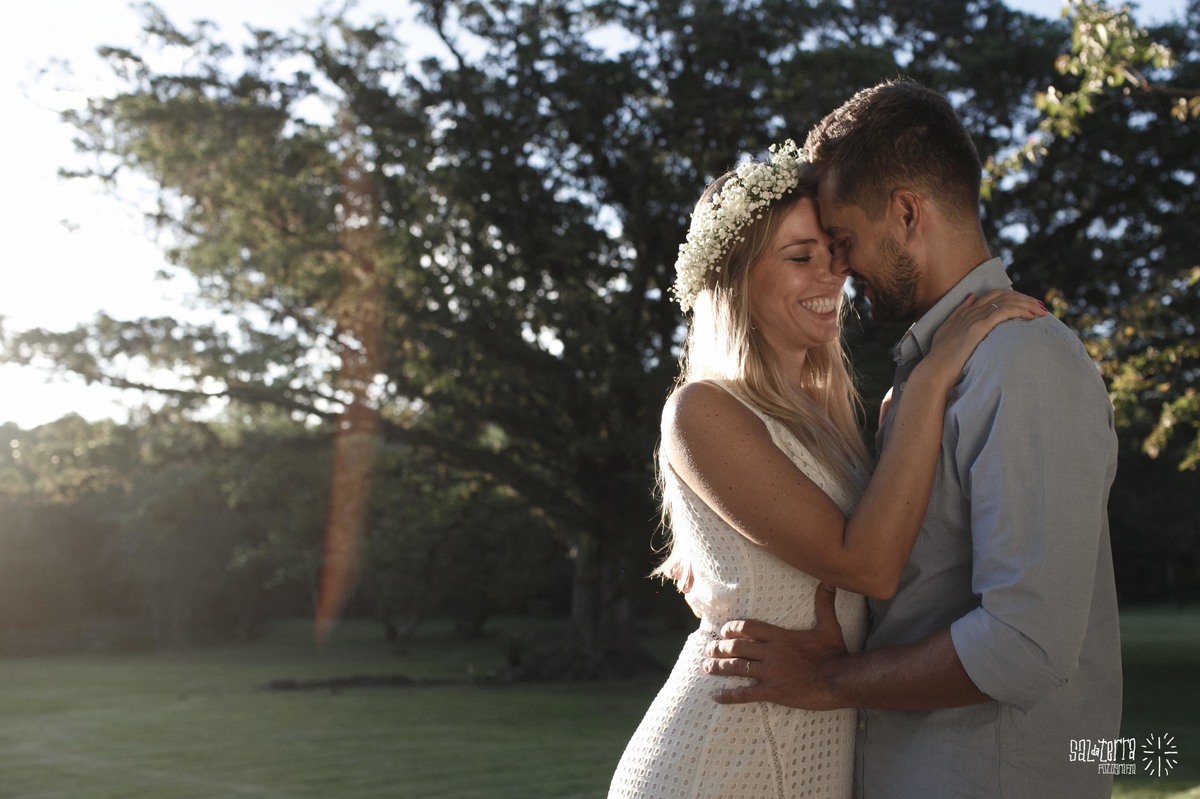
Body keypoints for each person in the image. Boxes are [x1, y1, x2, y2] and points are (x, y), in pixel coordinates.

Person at [701, 79, 1123, 798]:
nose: (839, 269)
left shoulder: (1022, 361)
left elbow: (1024, 645)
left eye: (843, 240)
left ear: (905, 211)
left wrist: (830, 679)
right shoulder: (930, 376)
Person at [607, 139, 1045, 798]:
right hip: (722, 758)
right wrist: (933, 378)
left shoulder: (831, 424)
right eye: (800, 257)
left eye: (834, 254)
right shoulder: (701, 408)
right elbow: (867, 563)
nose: (831, 276)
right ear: (736, 279)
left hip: (808, 753)